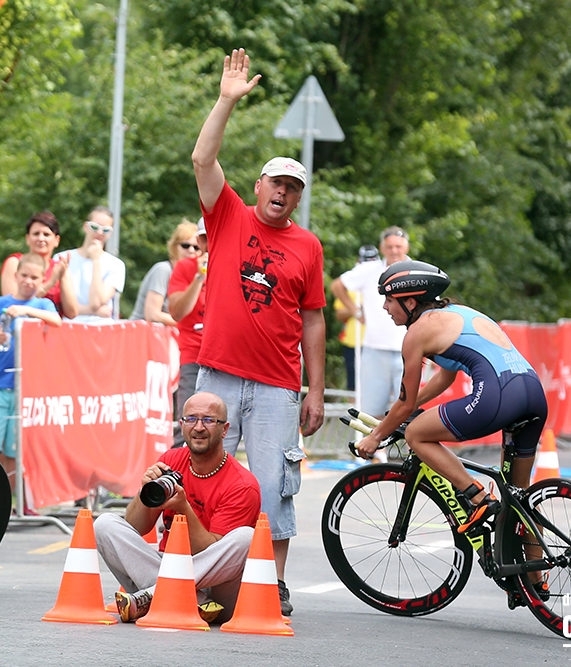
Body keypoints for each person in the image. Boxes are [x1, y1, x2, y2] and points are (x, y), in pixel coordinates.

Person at [191, 48, 327, 615]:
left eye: (292, 187)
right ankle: (197, 577)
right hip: (218, 376)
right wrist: (226, 100)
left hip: (277, 385)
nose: (282, 192)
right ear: (258, 184)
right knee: (202, 476)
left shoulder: (308, 246)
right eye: (276, 182)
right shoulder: (227, 215)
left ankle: (272, 582)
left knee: (274, 485)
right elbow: (202, 158)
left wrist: (315, 389)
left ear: (298, 196)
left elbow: (314, 317)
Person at [352, 260, 549, 537]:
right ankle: (534, 567)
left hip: (498, 395)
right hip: (532, 392)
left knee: (416, 434)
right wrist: (396, 414)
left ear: (410, 302)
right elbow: (444, 378)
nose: (385, 307)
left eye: (389, 300)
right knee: (520, 498)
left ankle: (477, 496)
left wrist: (375, 437)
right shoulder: (455, 314)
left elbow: (405, 403)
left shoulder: (417, 333)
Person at [94, 391, 260, 624]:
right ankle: (186, 600)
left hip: (216, 586)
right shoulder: (170, 461)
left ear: (224, 429)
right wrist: (144, 492)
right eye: (191, 419)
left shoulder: (242, 485)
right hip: (169, 567)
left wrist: (184, 508)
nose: (198, 427)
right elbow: (135, 526)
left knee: (246, 538)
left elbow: (213, 555)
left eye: (208, 420)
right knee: (105, 524)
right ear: (181, 425)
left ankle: (155, 594)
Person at [0, 254, 61, 526]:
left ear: (42, 280)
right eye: (24, 275)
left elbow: (57, 321)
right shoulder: (0, 303)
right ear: (16, 276)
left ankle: (12, 504)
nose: (28, 281)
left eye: (34, 277)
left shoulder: (43, 304)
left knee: (16, 451)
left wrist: (26, 312)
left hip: (26, 388)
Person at [330, 227, 411, 462]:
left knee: (410, 406)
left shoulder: (415, 269)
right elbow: (337, 286)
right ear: (382, 248)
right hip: (375, 347)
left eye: (398, 246)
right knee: (373, 406)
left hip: (408, 349)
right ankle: (376, 453)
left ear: (406, 247)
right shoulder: (370, 270)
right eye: (390, 246)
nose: (394, 251)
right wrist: (356, 311)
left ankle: (413, 452)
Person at [167, 218, 208, 447]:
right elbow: (177, 312)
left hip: (227, 359)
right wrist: (199, 276)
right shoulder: (185, 268)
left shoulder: (235, 266)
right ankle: (178, 468)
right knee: (189, 425)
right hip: (194, 356)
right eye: (204, 239)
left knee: (224, 427)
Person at [0, 211, 78, 318]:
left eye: (46, 234)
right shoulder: (15, 262)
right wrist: (51, 282)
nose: (41, 239)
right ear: (27, 239)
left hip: (51, 328)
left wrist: (62, 276)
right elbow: (13, 305)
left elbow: (72, 313)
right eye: (36, 234)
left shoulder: (60, 267)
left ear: (56, 240)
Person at [59, 207, 126, 322]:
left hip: (100, 327)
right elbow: (60, 305)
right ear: (85, 227)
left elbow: (96, 302)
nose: (99, 232)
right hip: (67, 325)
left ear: (111, 233)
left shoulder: (116, 265)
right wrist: (92, 311)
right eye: (94, 227)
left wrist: (95, 261)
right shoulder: (63, 257)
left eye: (106, 230)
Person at [129, 220, 200, 325]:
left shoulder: (198, 277)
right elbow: (152, 315)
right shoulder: (163, 270)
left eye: (196, 247)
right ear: (174, 247)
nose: (191, 250)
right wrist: (191, 325)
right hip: (141, 332)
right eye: (185, 245)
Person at [335, 244, 380, 391]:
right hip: (353, 341)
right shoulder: (350, 283)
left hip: (376, 341)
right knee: (353, 382)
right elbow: (339, 314)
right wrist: (356, 310)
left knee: (376, 382)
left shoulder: (380, 283)